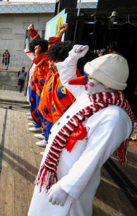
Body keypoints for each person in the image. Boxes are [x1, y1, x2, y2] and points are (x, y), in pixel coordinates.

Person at [28, 49, 133, 215]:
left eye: (90, 77)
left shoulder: (113, 117)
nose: (85, 80)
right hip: (53, 172)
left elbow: (93, 157)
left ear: (106, 84)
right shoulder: (92, 96)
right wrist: (71, 60)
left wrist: (66, 187)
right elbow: (68, 81)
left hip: (70, 185)